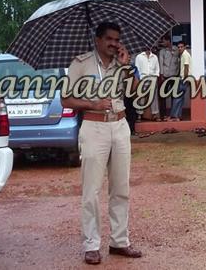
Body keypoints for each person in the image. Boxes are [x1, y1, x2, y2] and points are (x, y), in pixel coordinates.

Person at [62, 22, 142, 264]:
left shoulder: (122, 63)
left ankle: (119, 241)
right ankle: (91, 245)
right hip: (93, 126)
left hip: (119, 126)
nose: (114, 43)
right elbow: (66, 99)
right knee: (92, 191)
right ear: (97, 39)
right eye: (109, 38)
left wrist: (128, 67)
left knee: (121, 188)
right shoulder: (80, 63)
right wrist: (93, 104)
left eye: (117, 39)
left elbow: (136, 93)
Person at [134, 47, 160, 121]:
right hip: (143, 79)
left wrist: (156, 76)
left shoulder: (154, 57)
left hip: (152, 79)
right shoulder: (139, 57)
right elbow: (137, 69)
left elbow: (157, 69)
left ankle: (155, 114)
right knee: (141, 97)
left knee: (154, 98)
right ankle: (139, 114)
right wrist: (138, 79)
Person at [157, 35, 179, 119]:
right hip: (165, 75)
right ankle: (163, 114)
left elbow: (178, 60)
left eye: (164, 41)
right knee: (163, 95)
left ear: (168, 41)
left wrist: (172, 51)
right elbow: (161, 63)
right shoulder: (162, 51)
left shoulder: (175, 49)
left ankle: (174, 114)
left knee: (174, 95)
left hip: (174, 75)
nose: (163, 43)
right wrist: (161, 75)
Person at [167, 41, 191, 122]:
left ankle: (174, 116)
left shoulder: (185, 55)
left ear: (185, 47)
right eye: (179, 47)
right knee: (180, 98)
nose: (180, 48)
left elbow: (186, 67)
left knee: (177, 97)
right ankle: (177, 116)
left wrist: (184, 78)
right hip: (183, 78)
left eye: (181, 47)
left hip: (183, 78)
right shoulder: (183, 55)